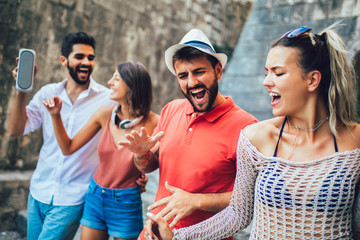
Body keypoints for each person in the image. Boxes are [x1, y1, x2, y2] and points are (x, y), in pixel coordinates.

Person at [146, 24, 360, 240]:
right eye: (266, 72)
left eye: (278, 73)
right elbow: (238, 214)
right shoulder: (256, 137)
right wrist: (176, 237)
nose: (266, 82)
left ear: (312, 80)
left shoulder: (355, 140)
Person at [119, 29, 257, 240]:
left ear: (218, 70)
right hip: (152, 233)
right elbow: (149, 165)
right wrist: (140, 154)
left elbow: (250, 198)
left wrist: (196, 201)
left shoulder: (247, 127)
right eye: (183, 75)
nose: (191, 82)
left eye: (199, 71)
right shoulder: (171, 109)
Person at [9, 32, 147, 240]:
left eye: (90, 58)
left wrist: (137, 172)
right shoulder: (47, 93)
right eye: (79, 57)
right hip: (38, 190)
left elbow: (124, 140)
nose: (86, 62)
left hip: (73, 196)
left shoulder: (107, 101)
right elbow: (17, 130)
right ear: (64, 60)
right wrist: (22, 91)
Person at [43, 61, 159, 240]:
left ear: (133, 85)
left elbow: (158, 162)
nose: (110, 82)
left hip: (126, 202)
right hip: (95, 196)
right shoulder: (104, 114)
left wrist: (143, 170)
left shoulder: (154, 122)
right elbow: (68, 147)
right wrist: (55, 115)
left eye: (116, 78)